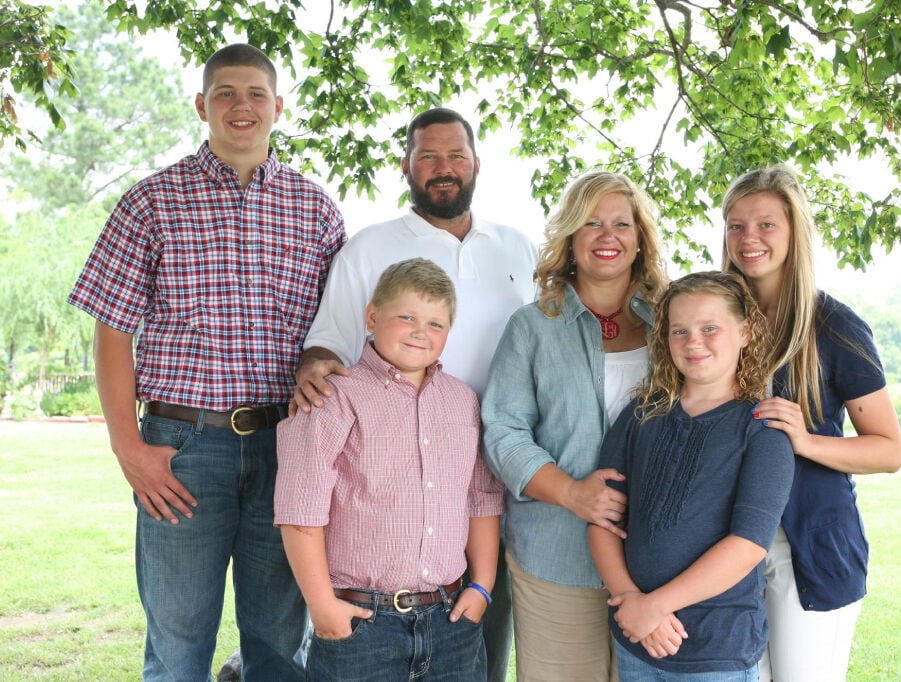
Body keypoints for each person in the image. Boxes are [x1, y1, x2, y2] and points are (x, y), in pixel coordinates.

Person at [66, 44, 347, 680]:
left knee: (278, 641)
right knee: (179, 640)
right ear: (202, 105)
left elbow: (339, 331)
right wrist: (127, 447)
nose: (239, 106)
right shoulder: (151, 202)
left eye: (254, 94)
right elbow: (112, 332)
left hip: (288, 446)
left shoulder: (317, 210)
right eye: (224, 93)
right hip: (183, 448)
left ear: (278, 106)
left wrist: (320, 359)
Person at [293, 107, 536, 682]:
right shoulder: (369, 247)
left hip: (490, 471)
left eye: (456, 155)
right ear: (407, 166)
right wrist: (316, 380)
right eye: (428, 156)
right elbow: (325, 347)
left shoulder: (517, 248)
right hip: (379, 473)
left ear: (477, 165)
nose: (443, 167)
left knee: (475, 639)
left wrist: (479, 578)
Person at [275, 258, 503, 681]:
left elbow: (481, 498)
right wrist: (322, 605)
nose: (421, 332)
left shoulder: (463, 402)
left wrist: (483, 583)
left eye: (436, 324)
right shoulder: (330, 398)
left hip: (451, 620)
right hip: (362, 624)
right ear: (373, 316)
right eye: (407, 317)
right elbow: (299, 511)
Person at [720, 165, 901, 682]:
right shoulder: (717, 320)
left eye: (765, 224)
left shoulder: (835, 326)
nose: (748, 238)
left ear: (795, 230)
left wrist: (805, 440)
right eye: (735, 225)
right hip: (727, 544)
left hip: (810, 547)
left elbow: (889, 450)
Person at [481, 170, 668, 680]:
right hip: (556, 554)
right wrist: (572, 493)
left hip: (661, 559)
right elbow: (503, 432)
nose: (608, 237)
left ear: (640, 239)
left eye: (621, 224)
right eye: (591, 223)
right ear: (568, 239)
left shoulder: (672, 322)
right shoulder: (532, 326)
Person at [589, 271, 795, 681]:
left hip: (716, 650)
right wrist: (629, 597)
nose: (693, 341)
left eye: (710, 328)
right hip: (636, 641)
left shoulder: (762, 428)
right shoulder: (641, 413)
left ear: (745, 332)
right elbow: (602, 517)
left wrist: (655, 606)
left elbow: (748, 544)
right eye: (679, 330)